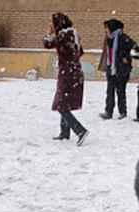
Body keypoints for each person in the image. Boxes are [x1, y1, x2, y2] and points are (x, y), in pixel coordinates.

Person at [43, 12, 89, 145]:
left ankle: (80, 130)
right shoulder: (74, 33)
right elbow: (80, 52)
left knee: (60, 104)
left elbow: (47, 44)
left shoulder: (63, 34)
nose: (51, 25)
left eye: (52, 22)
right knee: (65, 103)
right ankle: (64, 132)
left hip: (67, 73)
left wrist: (49, 33)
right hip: (76, 71)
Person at [98, 19, 134, 120]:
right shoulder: (109, 38)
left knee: (121, 91)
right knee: (110, 91)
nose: (105, 30)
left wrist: (125, 57)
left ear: (112, 28)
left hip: (121, 69)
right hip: (111, 68)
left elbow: (133, 47)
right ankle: (108, 111)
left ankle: (122, 112)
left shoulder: (123, 38)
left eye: (107, 28)